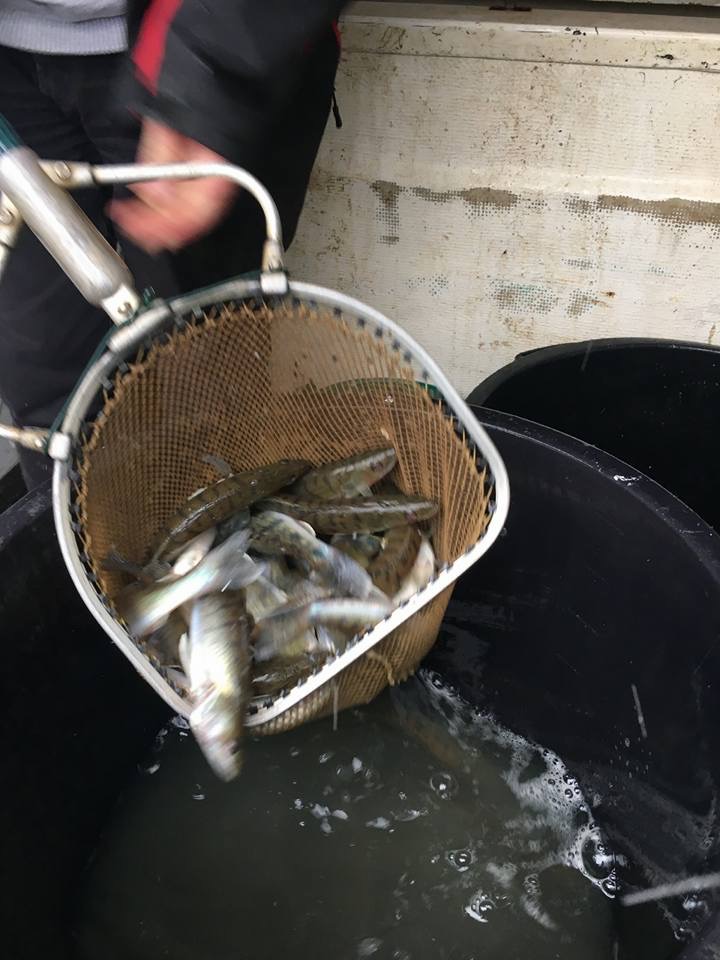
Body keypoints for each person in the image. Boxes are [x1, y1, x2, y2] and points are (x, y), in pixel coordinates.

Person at [0, 0, 344, 488]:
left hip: (201, 37)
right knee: (47, 382)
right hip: (11, 76)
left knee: (211, 373)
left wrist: (213, 71)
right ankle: (73, 531)